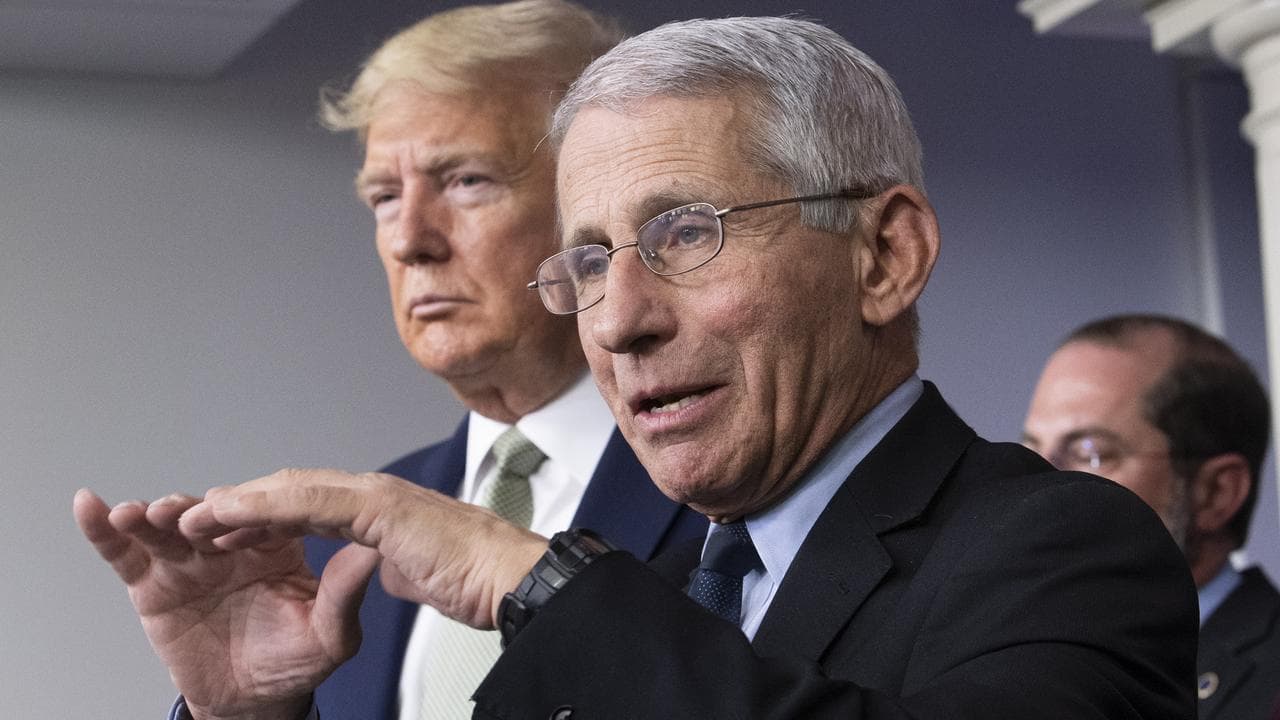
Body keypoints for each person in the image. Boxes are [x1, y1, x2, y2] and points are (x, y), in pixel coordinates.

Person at [76, 15, 1197, 719]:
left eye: (682, 236)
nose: (615, 324)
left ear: (883, 255)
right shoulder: (645, 601)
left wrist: (530, 582)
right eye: (587, 261)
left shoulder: (1066, 549)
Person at [74, 3, 706, 719]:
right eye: (383, 196)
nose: (411, 240)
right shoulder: (344, 545)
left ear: (591, 202)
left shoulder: (726, 490)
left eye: (466, 180)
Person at [1023, 314, 1280, 720]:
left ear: (1216, 493)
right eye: (1030, 450)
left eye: (1091, 454)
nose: (1036, 484)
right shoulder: (1022, 665)